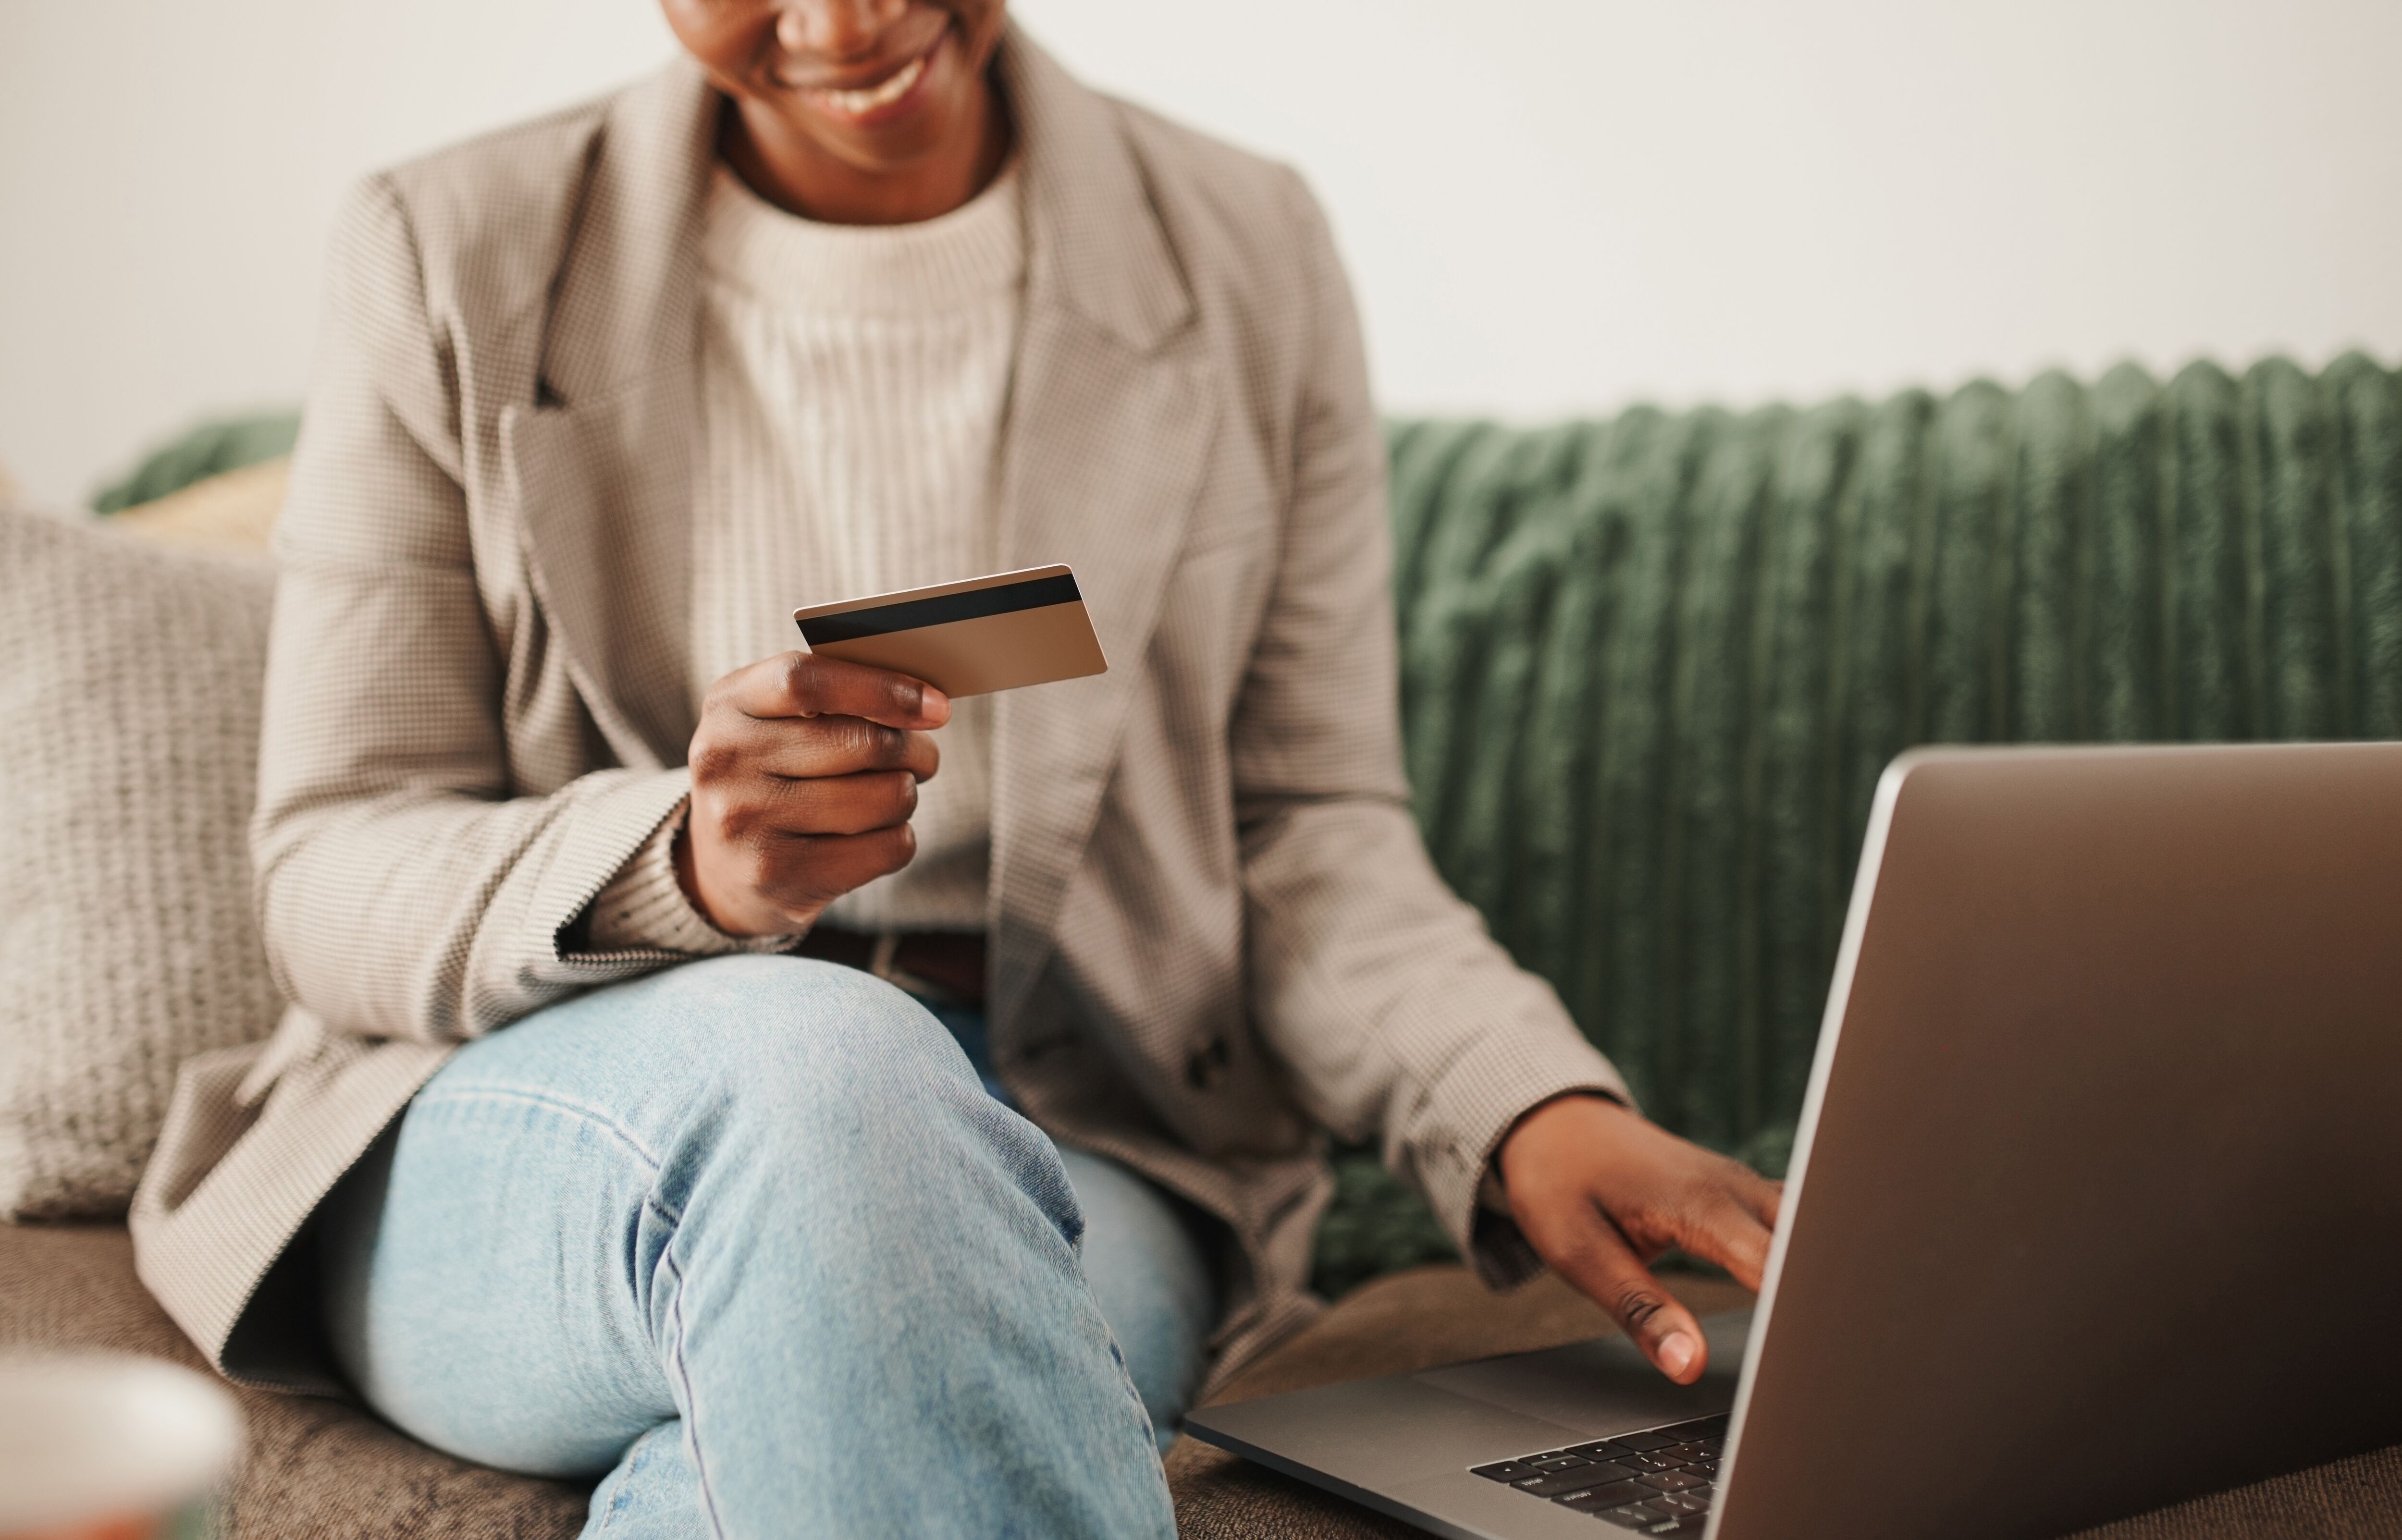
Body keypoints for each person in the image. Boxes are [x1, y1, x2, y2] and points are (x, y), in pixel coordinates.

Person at [128, 2, 1783, 1535]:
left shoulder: (1246, 244)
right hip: (537, 1114)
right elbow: (334, 861)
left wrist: (1525, 1104)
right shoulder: (447, 244)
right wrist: (676, 865)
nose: (846, 23)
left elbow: (1300, 830)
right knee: (835, 1076)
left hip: (1060, 1128)